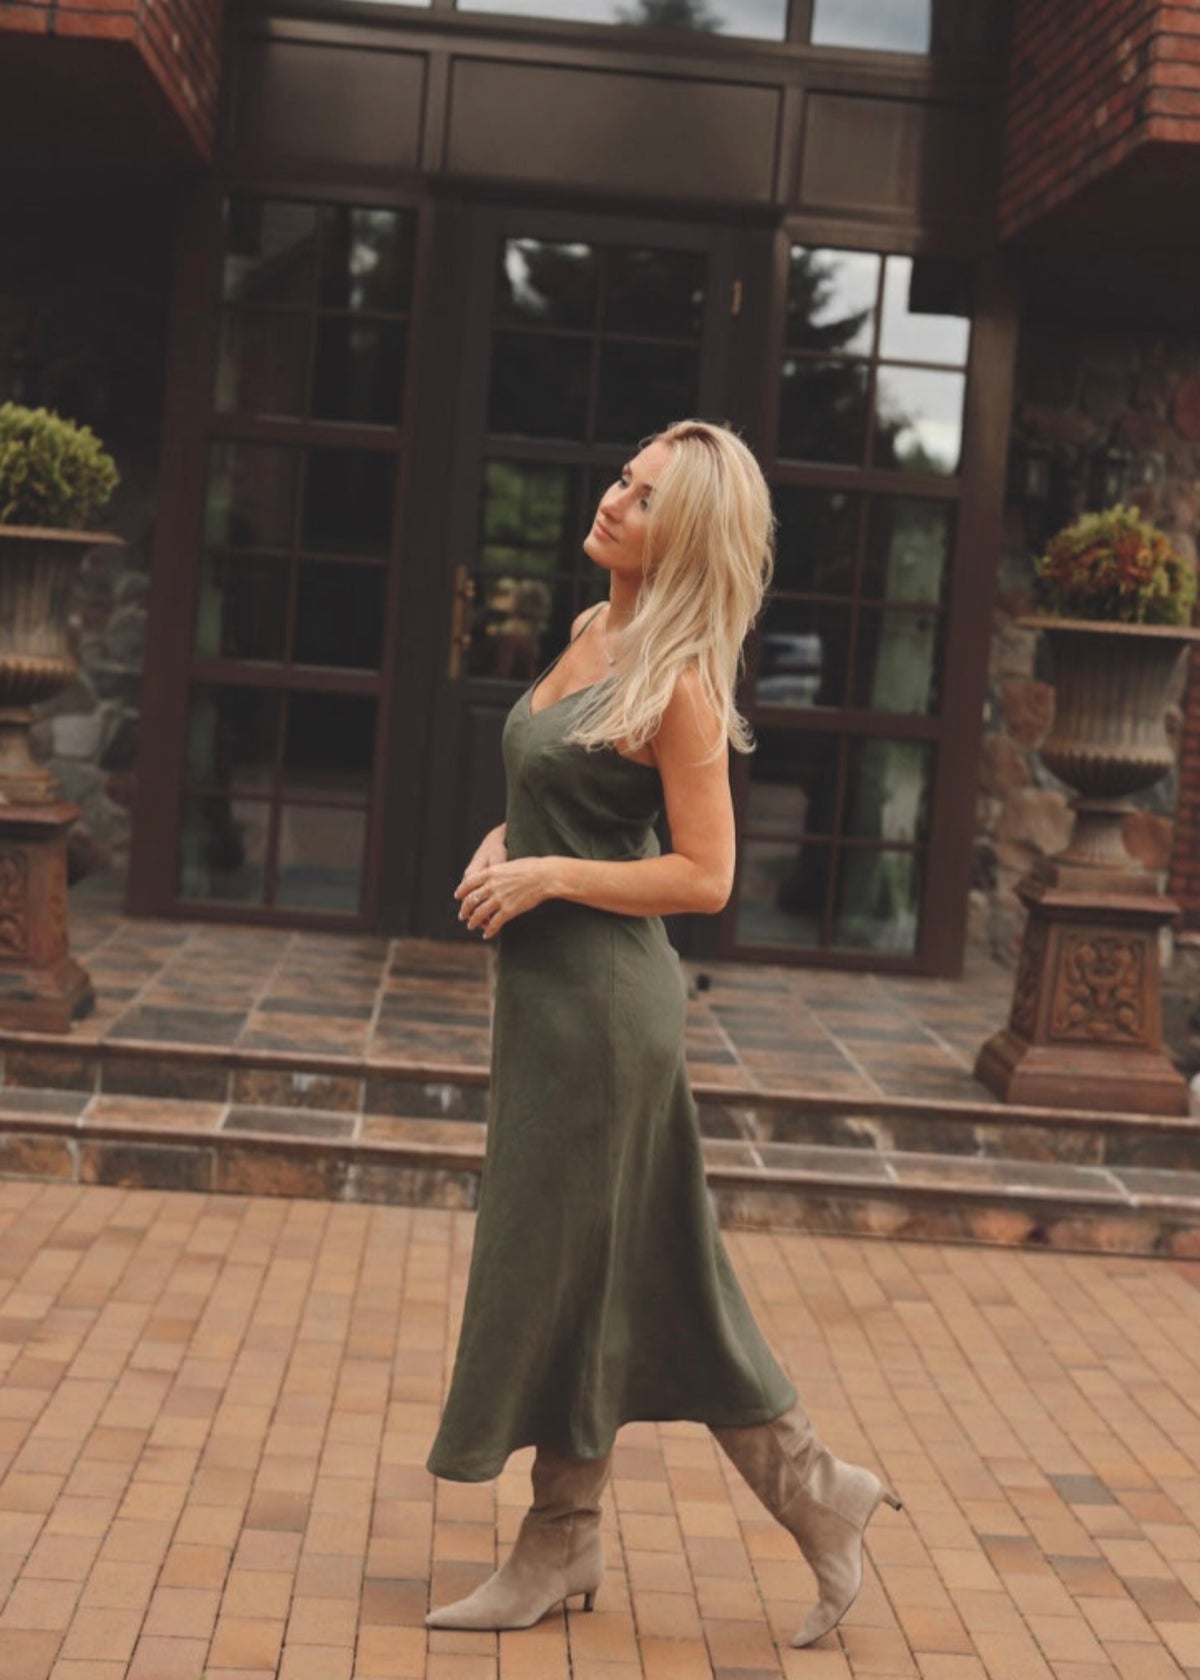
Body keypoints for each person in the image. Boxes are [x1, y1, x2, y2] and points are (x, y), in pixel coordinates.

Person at [424, 419, 901, 1649]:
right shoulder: (594, 632)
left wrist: (549, 879)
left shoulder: (679, 679)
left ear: (683, 534)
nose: (612, 499)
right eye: (622, 478)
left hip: (606, 1017)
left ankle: (564, 1539)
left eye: (641, 497)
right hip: (550, 1008)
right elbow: (551, 795)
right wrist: (506, 846)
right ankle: (797, 1494)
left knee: (581, 1266)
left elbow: (707, 877)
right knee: (624, 1267)